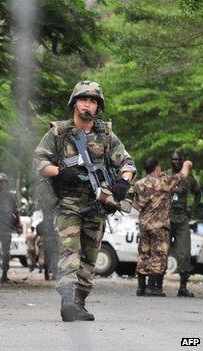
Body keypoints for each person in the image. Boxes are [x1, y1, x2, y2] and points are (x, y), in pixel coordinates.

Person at [33, 80, 136, 322]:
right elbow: (39, 161)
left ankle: (79, 301)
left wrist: (123, 182)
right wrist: (59, 172)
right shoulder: (58, 132)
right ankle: (67, 300)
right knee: (70, 249)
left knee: (90, 255)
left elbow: (127, 162)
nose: (87, 105)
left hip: (97, 203)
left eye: (92, 101)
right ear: (74, 103)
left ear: (98, 107)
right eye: (83, 100)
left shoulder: (107, 135)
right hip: (68, 202)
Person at [133, 156, 193, 297]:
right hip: (159, 225)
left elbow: (133, 203)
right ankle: (153, 288)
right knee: (158, 255)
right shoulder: (163, 181)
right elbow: (182, 175)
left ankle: (141, 287)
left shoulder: (139, 184)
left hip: (144, 225)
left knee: (144, 254)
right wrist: (187, 164)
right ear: (157, 168)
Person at [168, 152, 201, 297]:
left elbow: (198, 193)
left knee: (184, 253)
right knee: (162, 250)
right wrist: (174, 189)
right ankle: (155, 285)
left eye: (179, 160)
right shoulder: (165, 175)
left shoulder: (189, 178)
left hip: (182, 217)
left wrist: (191, 209)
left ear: (182, 162)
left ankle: (183, 287)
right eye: (174, 159)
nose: (176, 162)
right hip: (167, 217)